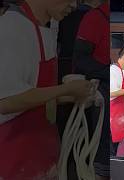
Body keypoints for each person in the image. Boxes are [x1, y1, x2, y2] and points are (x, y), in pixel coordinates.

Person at [0, 0, 93, 179]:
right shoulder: (12, 28)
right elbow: (6, 101)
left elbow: (37, 95)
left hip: (41, 153)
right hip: (14, 159)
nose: (74, 6)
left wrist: (72, 95)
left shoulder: (44, 32)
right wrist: (65, 89)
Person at [72, 2, 109, 179]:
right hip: (101, 88)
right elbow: (80, 59)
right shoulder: (96, 17)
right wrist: (109, 72)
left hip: (114, 89)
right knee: (101, 144)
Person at [57, 0, 104, 83]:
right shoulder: (97, 17)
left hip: (63, 61)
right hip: (86, 69)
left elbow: (59, 39)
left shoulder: (64, 13)